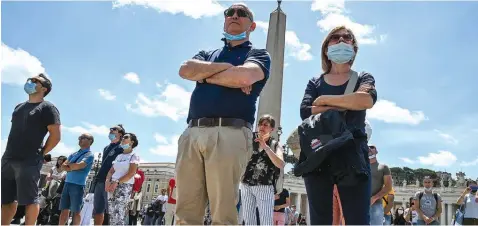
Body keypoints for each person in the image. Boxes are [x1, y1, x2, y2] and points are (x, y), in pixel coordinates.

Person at [175, 2, 271, 225]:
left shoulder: (258, 54)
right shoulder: (207, 52)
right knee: (185, 210)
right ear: (225, 19)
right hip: (193, 132)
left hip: (231, 132)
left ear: (252, 25)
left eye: (242, 13)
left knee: (223, 210)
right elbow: (185, 70)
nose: (234, 15)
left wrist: (204, 75)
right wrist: (228, 70)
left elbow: (244, 78)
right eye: (230, 12)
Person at [299, 25, 377, 225]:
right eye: (335, 37)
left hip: (353, 154)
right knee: (319, 221)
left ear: (354, 48)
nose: (341, 40)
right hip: (319, 153)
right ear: (326, 48)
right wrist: (349, 101)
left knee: (358, 220)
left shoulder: (363, 77)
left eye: (347, 37)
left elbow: (365, 100)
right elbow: (305, 111)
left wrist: (324, 100)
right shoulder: (314, 81)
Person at [1, 73, 61, 225]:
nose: (30, 82)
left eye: (35, 81)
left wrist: (40, 153)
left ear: (44, 88)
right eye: (30, 80)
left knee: (30, 200)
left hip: (29, 160)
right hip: (8, 158)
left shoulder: (48, 108)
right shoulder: (19, 107)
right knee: (7, 199)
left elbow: (55, 136)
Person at [241, 115, 285, 225]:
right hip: (246, 185)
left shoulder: (275, 144)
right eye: (260, 124)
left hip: (265, 186)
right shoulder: (250, 141)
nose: (261, 127)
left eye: (265, 125)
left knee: (266, 222)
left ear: (272, 129)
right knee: (248, 221)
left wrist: (265, 147)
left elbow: (280, 164)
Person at [58, 133, 95, 225]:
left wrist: (69, 166)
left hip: (78, 185)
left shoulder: (89, 155)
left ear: (90, 141)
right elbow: (62, 166)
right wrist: (72, 167)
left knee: (76, 212)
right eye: (79, 137)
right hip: (67, 183)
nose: (80, 139)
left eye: (83, 137)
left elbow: (79, 166)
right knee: (64, 210)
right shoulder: (74, 153)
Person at [93, 124, 126, 225]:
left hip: (111, 182)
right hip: (100, 180)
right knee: (98, 210)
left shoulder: (122, 147)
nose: (111, 131)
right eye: (110, 129)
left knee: (110, 211)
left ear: (120, 134)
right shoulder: (106, 147)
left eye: (114, 129)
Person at [105, 133, 140, 225]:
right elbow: (111, 171)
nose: (123, 139)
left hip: (124, 186)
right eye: (122, 137)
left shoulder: (134, 156)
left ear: (132, 142)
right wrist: (107, 181)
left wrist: (117, 182)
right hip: (112, 185)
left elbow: (131, 173)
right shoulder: (119, 156)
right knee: (112, 212)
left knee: (119, 213)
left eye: (126, 137)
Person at [369, 145, 393, 225]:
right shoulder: (359, 167)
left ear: (376, 151)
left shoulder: (383, 167)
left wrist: (374, 198)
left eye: (372, 147)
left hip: (376, 205)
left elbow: (388, 187)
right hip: (359, 204)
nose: (369, 148)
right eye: (367, 147)